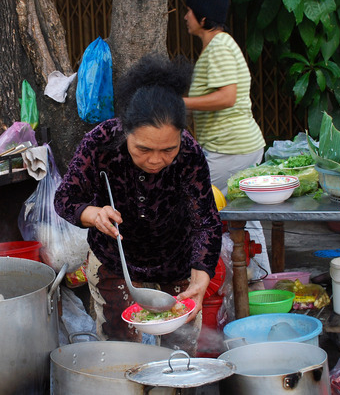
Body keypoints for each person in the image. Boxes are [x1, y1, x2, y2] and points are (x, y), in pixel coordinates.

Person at [54, 54, 222, 353]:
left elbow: (206, 223)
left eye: (168, 149)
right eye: (143, 149)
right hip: (115, 264)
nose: (156, 160)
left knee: (179, 353)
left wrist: (200, 276)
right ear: (125, 131)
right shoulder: (100, 143)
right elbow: (65, 198)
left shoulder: (190, 153)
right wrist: (93, 214)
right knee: (121, 352)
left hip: (176, 263)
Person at [182, 0, 270, 276]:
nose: (185, 17)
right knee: (242, 213)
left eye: (189, 11)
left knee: (195, 207)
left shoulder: (218, 47)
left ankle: (206, 277)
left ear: (203, 18)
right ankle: (256, 280)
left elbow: (226, 97)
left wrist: (180, 103)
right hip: (238, 146)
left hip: (229, 150)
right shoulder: (220, 45)